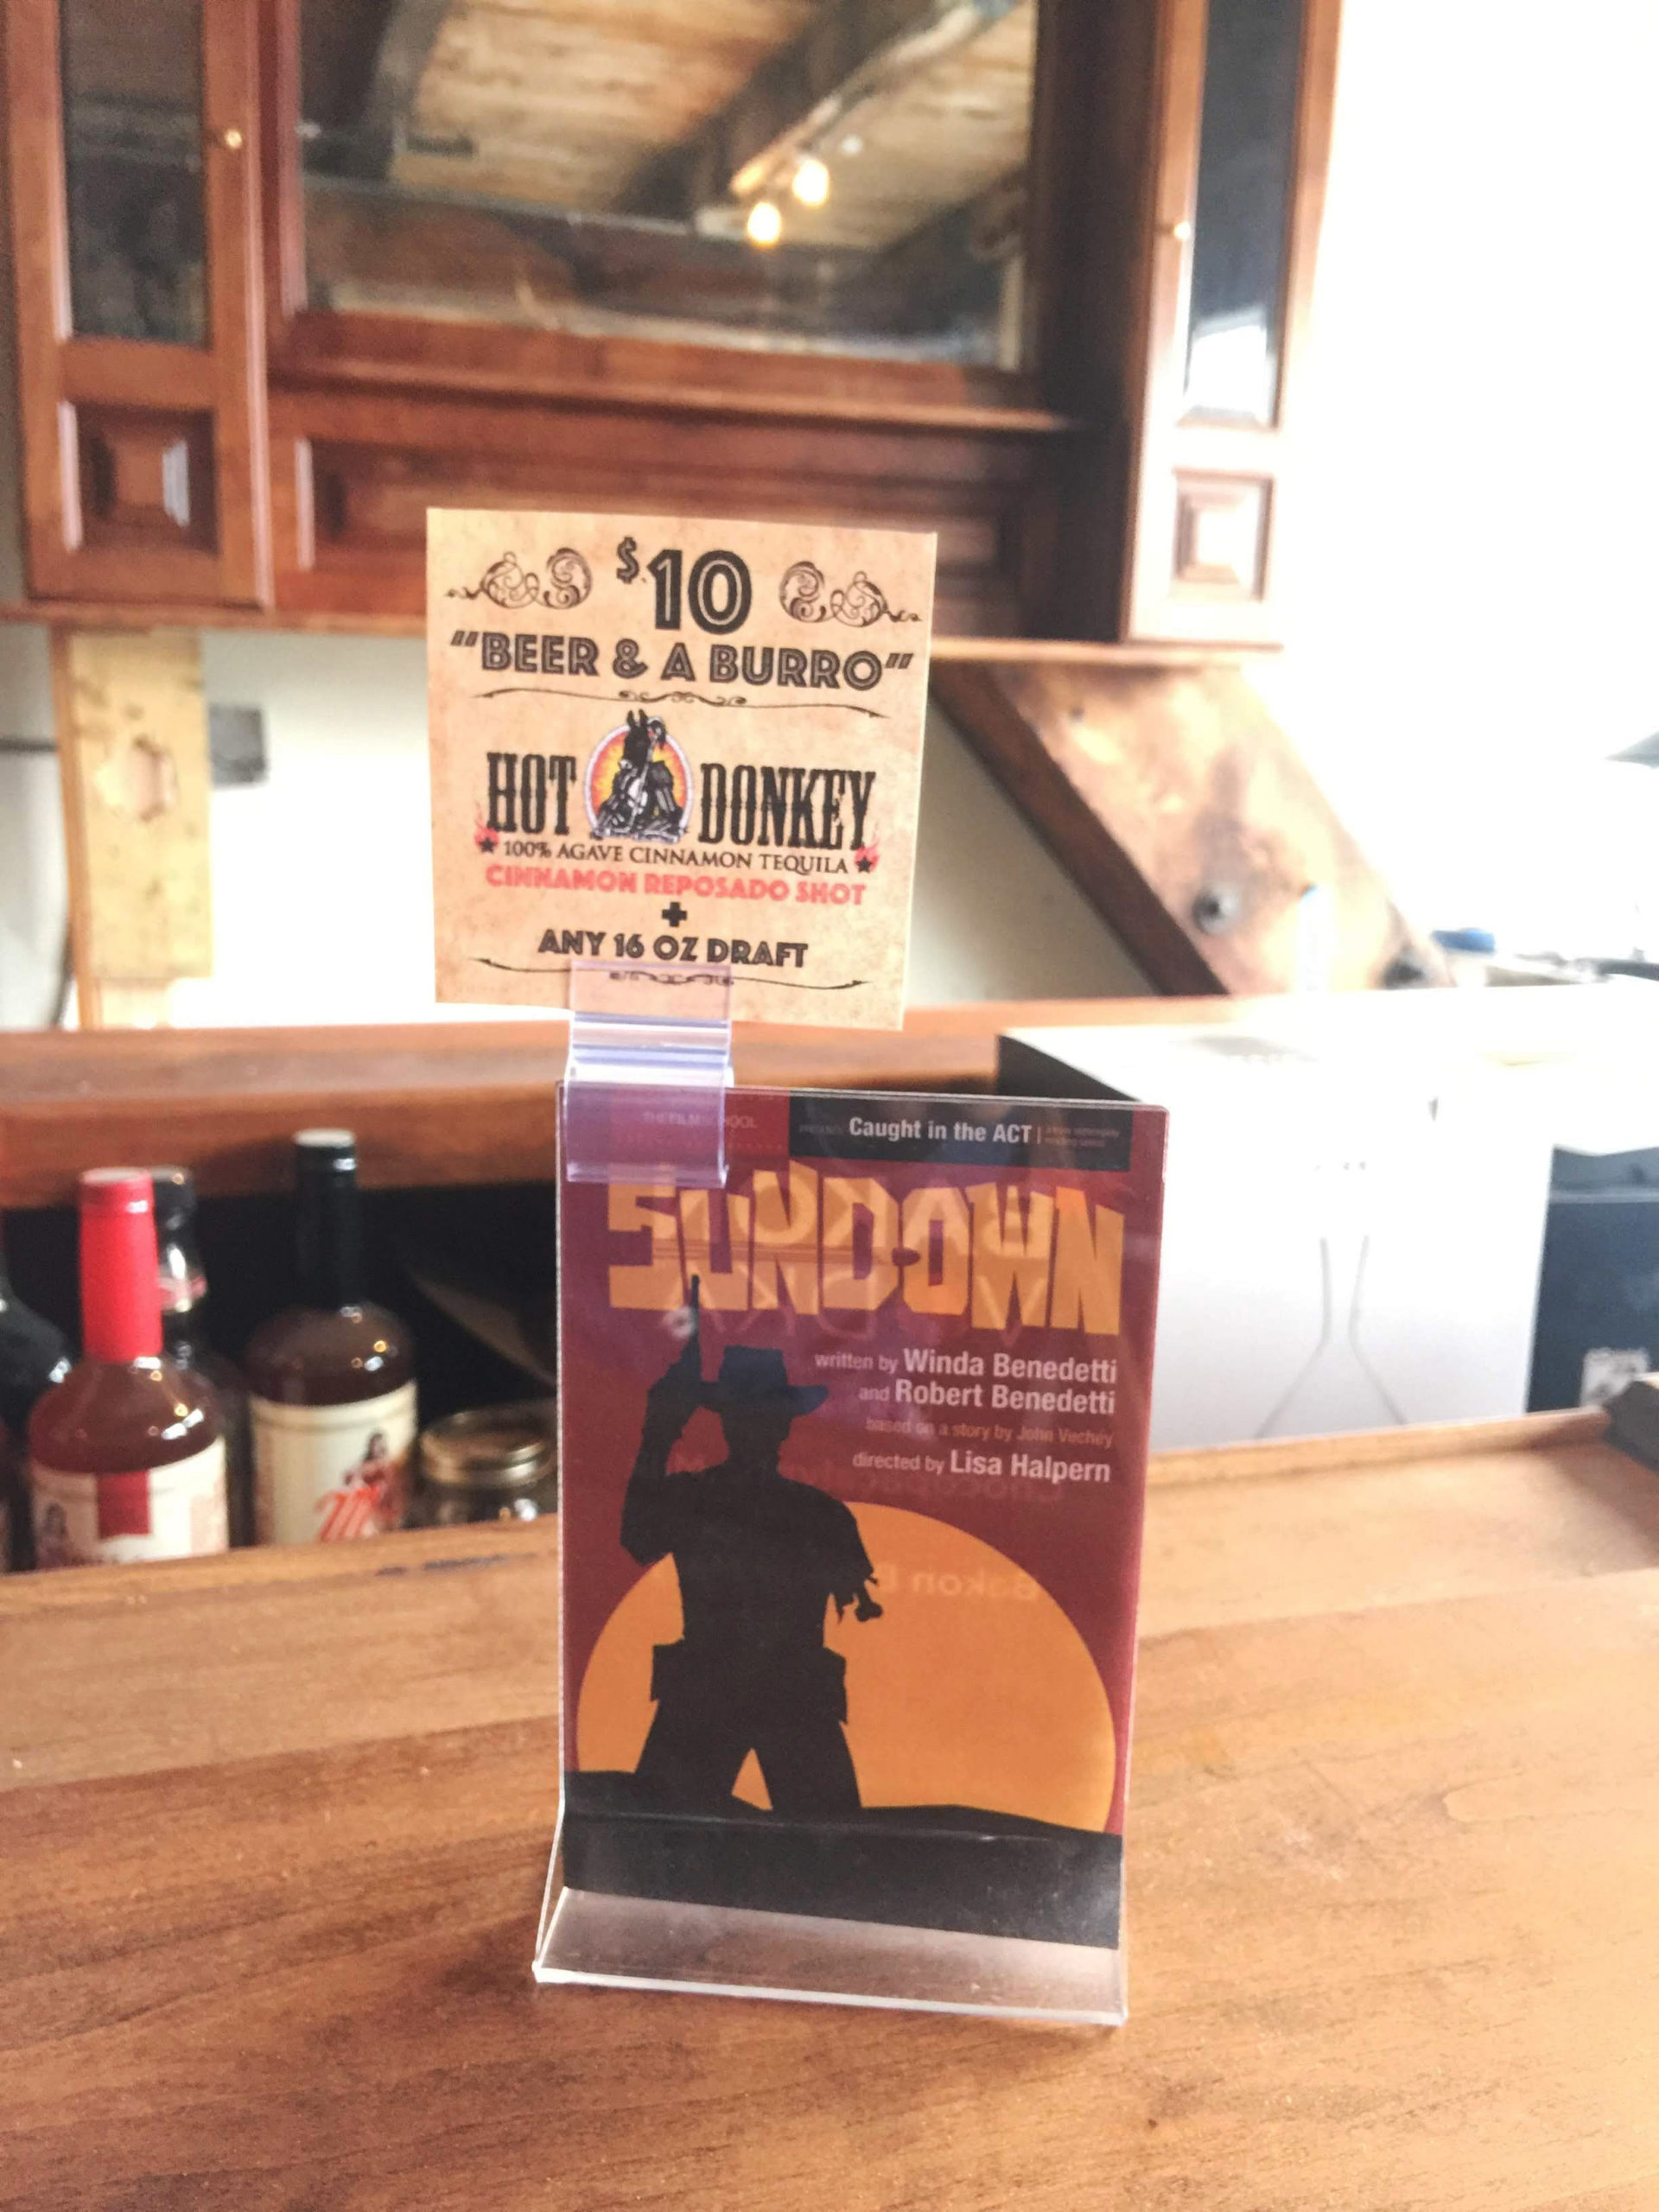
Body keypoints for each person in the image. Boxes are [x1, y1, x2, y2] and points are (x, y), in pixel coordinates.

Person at [622, 1300, 881, 1816]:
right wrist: (658, 1433)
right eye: (754, 1416)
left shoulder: (813, 1513)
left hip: (751, 1691)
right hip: (737, 1690)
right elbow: (638, 1539)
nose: (760, 1427)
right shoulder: (820, 1513)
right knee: (661, 1830)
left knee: (829, 1837)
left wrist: (659, 1432)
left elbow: (638, 1537)